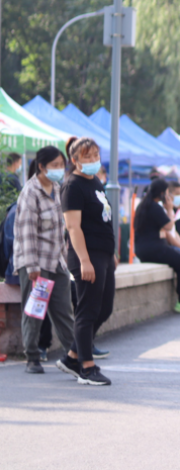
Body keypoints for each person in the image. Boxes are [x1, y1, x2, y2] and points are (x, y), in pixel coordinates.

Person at [56, 137, 115, 386]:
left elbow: (103, 219)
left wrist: (111, 253)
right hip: (86, 255)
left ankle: (72, 357)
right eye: (86, 157)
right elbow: (73, 227)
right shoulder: (73, 186)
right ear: (75, 160)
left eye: (95, 156)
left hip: (103, 254)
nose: (92, 161)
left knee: (104, 308)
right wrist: (84, 260)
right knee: (88, 310)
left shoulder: (96, 182)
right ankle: (87, 368)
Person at [13, 146, 75, 374]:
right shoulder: (30, 192)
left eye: (62, 165)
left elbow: (62, 229)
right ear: (41, 166)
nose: (60, 169)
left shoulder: (58, 188)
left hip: (56, 261)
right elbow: (26, 232)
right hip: (35, 263)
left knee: (64, 310)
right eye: (55, 165)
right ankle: (32, 357)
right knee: (34, 312)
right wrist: (32, 266)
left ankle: (74, 355)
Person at [133, 179, 180, 314]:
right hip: (154, 249)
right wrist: (169, 209)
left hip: (145, 249)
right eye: (167, 192)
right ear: (162, 193)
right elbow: (169, 226)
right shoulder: (155, 207)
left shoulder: (144, 205)